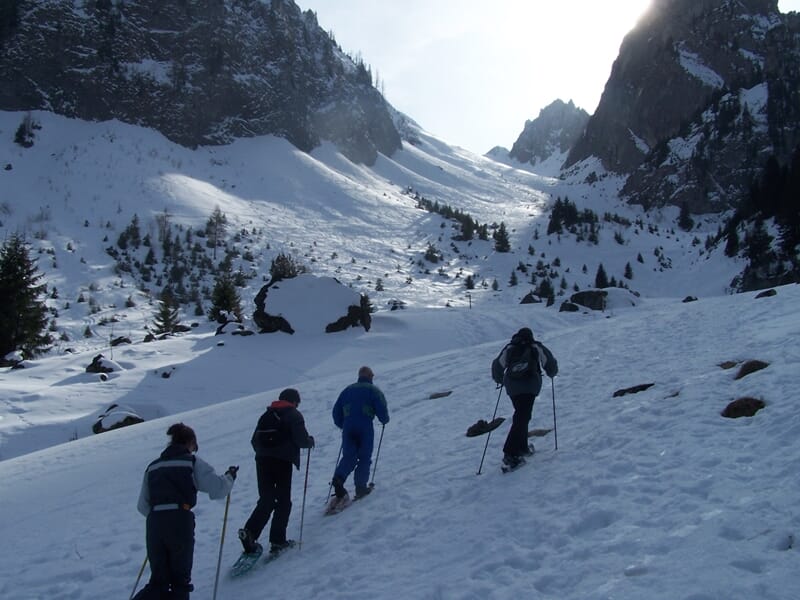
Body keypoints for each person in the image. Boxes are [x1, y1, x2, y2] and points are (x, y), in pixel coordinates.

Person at [134, 423, 237, 600]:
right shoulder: (190, 462)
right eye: (194, 447)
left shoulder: (153, 467)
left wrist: (160, 518)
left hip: (154, 523)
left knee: (158, 582)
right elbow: (218, 488)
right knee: (180, 582)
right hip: (179, 521)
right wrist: (229, 477)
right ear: (190, 442)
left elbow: (142, 506)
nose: (193, 450)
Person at [238, 388, 314, 557]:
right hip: (282, 461)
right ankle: (278, 541)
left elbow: (254, 440)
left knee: (266, 499)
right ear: (294, 401)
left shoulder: (266, 415)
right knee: (283, 501)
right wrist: (309, 442)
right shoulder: (294, 414)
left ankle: (250, 532)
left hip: (262, 461)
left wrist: (264, 453)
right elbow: (301, 440)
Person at [491, 327, 558, 469]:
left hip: (512, 387)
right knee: (522, 416)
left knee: (522, 414)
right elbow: (549, 362)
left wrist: (500, 380)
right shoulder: (535, 346)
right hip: (530, 386)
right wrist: (552, 373)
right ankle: (511, 453)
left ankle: (522, 448)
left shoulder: (510, 348)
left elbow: (497, 366)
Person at [330, 366, 389, 502]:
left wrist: (342, 424)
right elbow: (381, 407)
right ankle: (361, 488)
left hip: (348, 427)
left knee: (349, 455)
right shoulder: (373, 390)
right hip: (365, 426)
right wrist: (384, 420)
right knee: (364, 456)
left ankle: (339, 478)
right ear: (370, 376)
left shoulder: (347, 390)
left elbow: (336, 411)